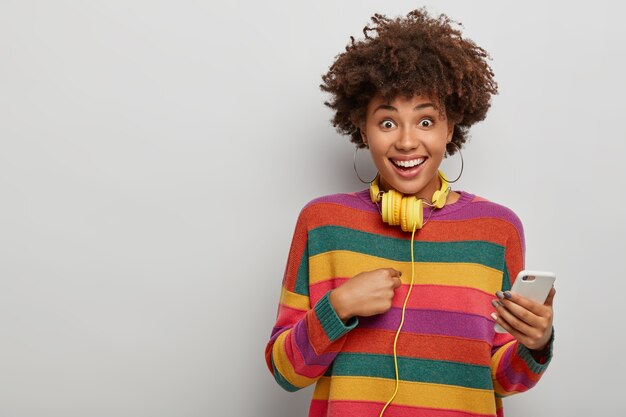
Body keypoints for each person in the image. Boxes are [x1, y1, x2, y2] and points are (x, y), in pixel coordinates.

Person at [264, 8, 555, 417]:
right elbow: (285, 371)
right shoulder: (323, 223)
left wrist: (536, 344)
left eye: (425, 120)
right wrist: (340, 306)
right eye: (387, 122)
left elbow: (502, 380)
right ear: (362, 129)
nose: (406, 141)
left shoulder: (496, 229)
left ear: (450, 127)